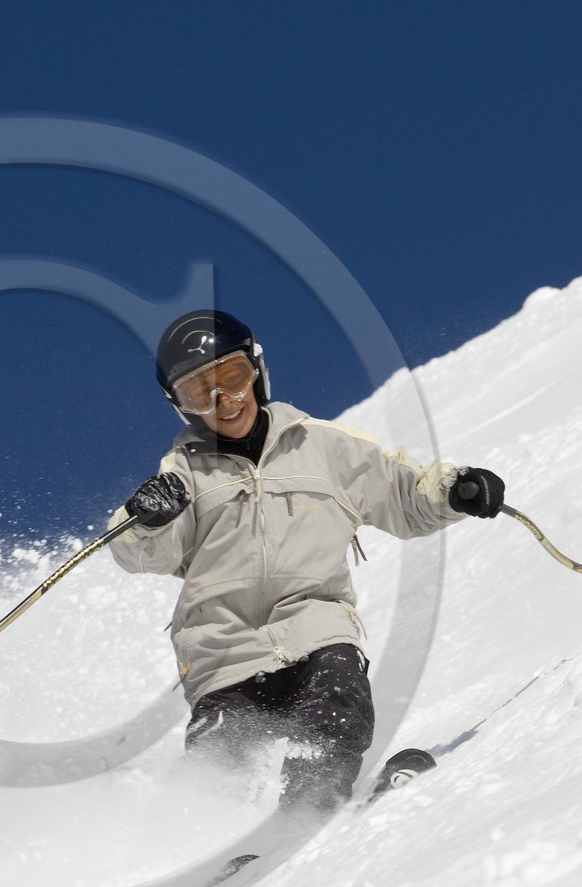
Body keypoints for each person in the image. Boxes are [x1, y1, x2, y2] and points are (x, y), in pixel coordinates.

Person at [108, 310, 505, 813]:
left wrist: (453, 490)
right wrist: (146, 520)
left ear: (257, 371)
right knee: (222, 756)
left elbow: (401, 493)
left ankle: (311, 803)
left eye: (232, 377)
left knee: (338, 707)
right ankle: (202, 831)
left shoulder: (323, 447)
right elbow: (143, 554)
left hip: (316, 628)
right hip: (222, 651)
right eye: (199, 392)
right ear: (181, 407)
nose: (224, 400)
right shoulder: (182, 477)